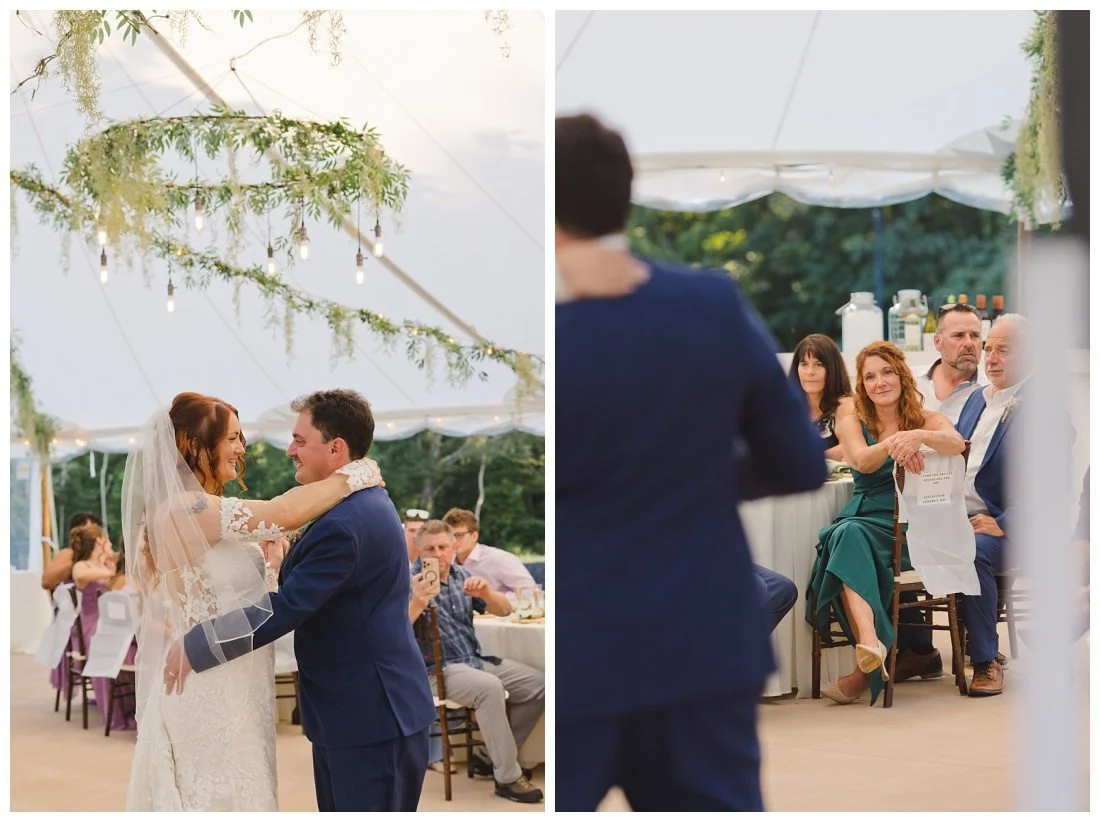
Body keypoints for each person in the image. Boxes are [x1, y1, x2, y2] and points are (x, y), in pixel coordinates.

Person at [555, 113, 826, 812]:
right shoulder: (709, 302)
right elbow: (800, 461)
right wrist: (694, 476)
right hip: (703, 636)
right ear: (626, 193)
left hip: (585, 644)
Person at [123, 391, 421, 811]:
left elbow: (273, 595)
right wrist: (353, 475)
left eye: (239, 437)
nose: (242, 448)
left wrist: (272, 567)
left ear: (334, 447)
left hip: (245, 677)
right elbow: (283, 512)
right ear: (195, 445)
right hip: (212, 677)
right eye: (232, 438)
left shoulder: (211, 510)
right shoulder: (184, 507)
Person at [806, 341, 965, 706]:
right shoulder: (851, 418)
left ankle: (867, 661)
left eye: (887, 372)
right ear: (862, 385)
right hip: (867, 517)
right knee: (847, 535)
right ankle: (870, 645)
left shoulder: (921, 418)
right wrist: (896, 441)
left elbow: (956, 443)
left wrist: (919, 435)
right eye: (870, 377)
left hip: (913, 530)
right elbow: (861, 461)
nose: (880, 382)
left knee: (844, 540)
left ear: (901, 375)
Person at [409, 520, 544, 803]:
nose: (438, 553)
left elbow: (505, 609)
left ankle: (485, 757)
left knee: (540, 684)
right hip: (437, 670)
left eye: (443, 547)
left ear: (453, 546)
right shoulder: (407, 582)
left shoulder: (462, 575)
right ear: (419, 551)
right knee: (489, 688)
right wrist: (418, 602)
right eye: (430, 548)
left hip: (474, 660)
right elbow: (393, 630)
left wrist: (487, 594)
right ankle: (507, 778)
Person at [955, 315, 1030, 697]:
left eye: (1004, 349)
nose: (991, 357)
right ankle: (912, 650)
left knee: (973, 552)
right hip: (961, 519)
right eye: (989, 347)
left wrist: (1003, 523)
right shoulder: (974, 399)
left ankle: (985, 660)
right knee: (897, 539)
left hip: (1012, 530)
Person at [913, 302, 984, 425]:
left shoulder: (990, 391)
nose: (968, 343)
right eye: (958, 335)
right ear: (937, 341)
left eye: (974, 335)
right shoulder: (909, 381)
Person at [788, 333, 855, 461]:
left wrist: (805, 458)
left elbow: (849, 447)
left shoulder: (846, 404)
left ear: (833, 368)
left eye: (819, 364)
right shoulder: (788, 407)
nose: (810, 372)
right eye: (804, 364)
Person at [442, 508, 536, 595]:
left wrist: (493, 600)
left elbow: (530, 591)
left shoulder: (498, 559)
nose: (453, 540)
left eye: (459, 535)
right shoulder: (447, 562)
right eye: (449, 536)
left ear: (474, 536)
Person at [41, 512, 103, 592]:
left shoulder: (103, 556)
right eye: (91, 531)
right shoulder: (69, 554)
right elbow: (46, 582)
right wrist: (79, 560)